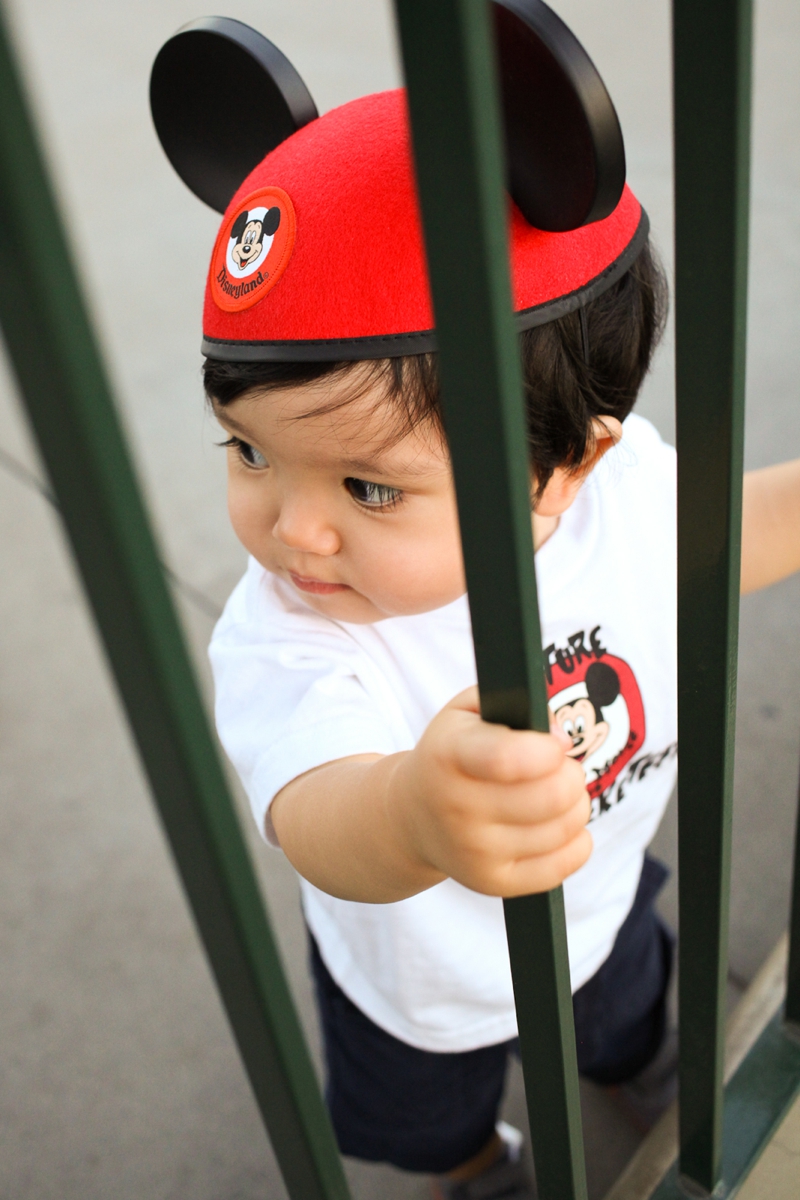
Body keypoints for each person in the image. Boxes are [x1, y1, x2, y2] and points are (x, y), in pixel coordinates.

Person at [150, 9, 800, 1199]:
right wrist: (408, 813)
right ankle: (468, 1166)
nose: (292, 531)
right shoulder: (291, 628)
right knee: (421, 1115)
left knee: (627, 1009)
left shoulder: (618, 498)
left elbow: (720, 541)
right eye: (247, 452)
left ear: (566, 469)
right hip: (417, 986)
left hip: (595, 896)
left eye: (367, 487)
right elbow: (312, 809)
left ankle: (637, 1060)